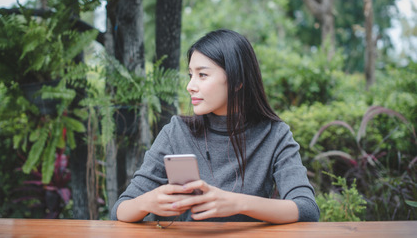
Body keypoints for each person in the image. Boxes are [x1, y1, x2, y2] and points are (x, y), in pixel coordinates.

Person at [111, 29, 319, 223]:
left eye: (202, 75)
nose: (190, 86)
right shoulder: (177, 131)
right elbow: (120, 209)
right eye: (191, 75)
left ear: (238, 81)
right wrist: (147, 201)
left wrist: (238, 203)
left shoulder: (274, 134)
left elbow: (307, 209)